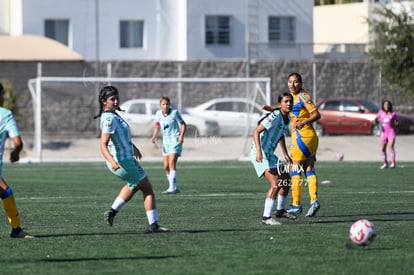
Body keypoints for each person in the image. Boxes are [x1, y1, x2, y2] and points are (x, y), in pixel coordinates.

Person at [95, 86, 169, 233]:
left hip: (126, 159)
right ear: (103, 102)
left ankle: (112, 212)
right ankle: (153, 226)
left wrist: (133, 146)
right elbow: (103, 144)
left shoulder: (113, 115)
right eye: (112, 99)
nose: (116, 101)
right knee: (147, 188)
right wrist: (112, 161)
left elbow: (120, 137)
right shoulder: (109, 118)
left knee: (134, 185)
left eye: (117, 98)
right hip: (122, 162)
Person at [263, 73, 321, 217]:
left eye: (295, 82)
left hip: (303, 136)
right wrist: (271, 109)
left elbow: (316, 114)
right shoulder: (292, 97)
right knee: (308, 168)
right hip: (310, 138)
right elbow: (288, 113)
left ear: (301, 83)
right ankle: (314, 201)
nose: (292, 84)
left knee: (295, 169)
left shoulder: (302, 96)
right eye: (290, 81)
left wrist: (303, 122)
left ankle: (296, 204)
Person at [251, 93, 297, 225]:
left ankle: (280, 211)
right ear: (280, 104)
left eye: (290, 101)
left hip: (269, 153)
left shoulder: (286, 118)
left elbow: (280, 135)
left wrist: (286, 154)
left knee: (286, 180)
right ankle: (266, 218)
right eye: (286, 101)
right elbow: (256, 131)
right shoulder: (274, 116)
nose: (289, 104)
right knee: (276, 183)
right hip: (260, 153)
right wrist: (259, 152)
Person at [0, 83, 34, 238]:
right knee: (6, 192)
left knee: (6, 192)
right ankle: (16, 229)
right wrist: (16, 153)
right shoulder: (5, 114)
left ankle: (16, 229)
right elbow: (18, 142)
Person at [151, 97, 186, 194]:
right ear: (160, 105)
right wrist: (154, 136)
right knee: (166, 166)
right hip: (165, 143)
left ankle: (171, 188)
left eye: (167, 104)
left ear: (169, 105)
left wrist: (181, 136)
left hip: (175, 141)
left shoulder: (174, 113)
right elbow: (157, 126)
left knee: (171, 163)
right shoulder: (158, 114)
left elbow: (183, 124)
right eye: (163, 104)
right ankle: (175, 187)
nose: (165, 106)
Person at [376, 99, 398, 169]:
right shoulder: (380, 112)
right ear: (383, 105)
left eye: (388, 104)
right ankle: (385, 163)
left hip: (391, 132)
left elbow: (397, 122)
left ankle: (393, 163)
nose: (386, 106)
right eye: (385, 104)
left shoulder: (393, 113)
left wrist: (396, 124)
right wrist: (376, 121)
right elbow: (376, 119)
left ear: (390, 106)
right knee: (383, 149)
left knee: (391, 146)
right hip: (384, 132)